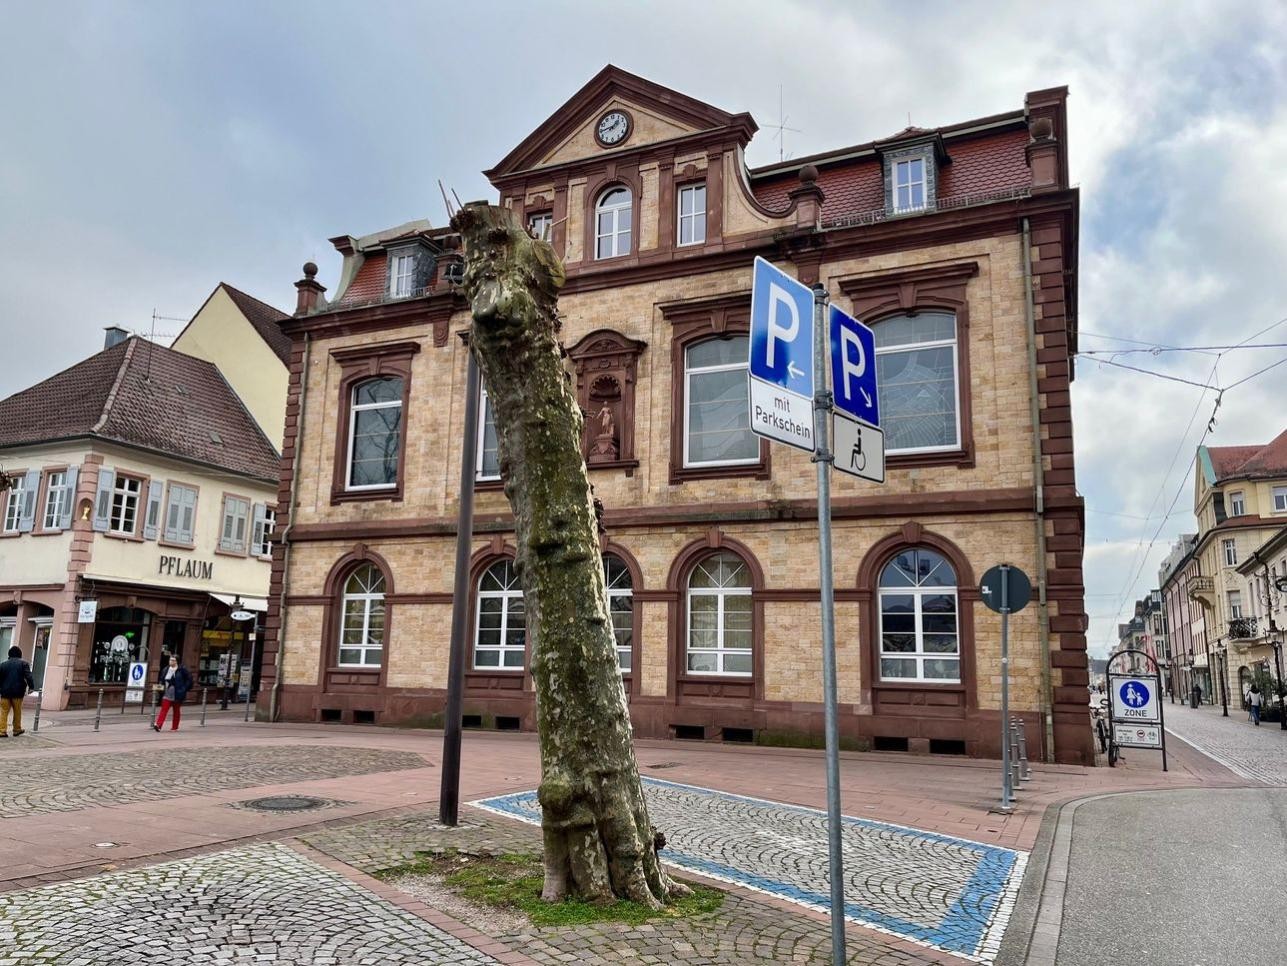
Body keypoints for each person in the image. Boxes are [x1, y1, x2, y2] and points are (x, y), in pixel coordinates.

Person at [151, 654, 193, 732]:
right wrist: (160, 686)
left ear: (177, 661)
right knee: (164, 708)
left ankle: (174, 727)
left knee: (176, 710)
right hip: (167, 692)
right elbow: (162, 679)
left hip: (178, 692)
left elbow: (189, 680)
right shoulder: (166, 669)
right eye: (170, 660)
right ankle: (159, 725)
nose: (171, 661)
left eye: (173, 660)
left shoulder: (182, 670)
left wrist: (184, 689)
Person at [0, 645, 35, 737]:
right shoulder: (23, 664)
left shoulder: (3, 665)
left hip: (5, 693)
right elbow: (29, 676)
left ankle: (2, 731)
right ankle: (16, 729)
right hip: (18, 693)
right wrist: (31, 687)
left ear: (9, 654)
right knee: (17, 711)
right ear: (20, 654)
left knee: (3, 712)